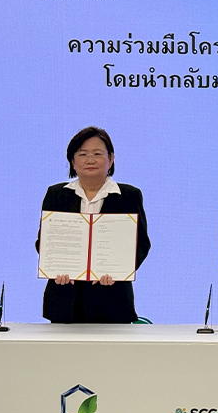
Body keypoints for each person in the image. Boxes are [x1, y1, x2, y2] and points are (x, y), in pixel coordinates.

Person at [37, 126, 151, 323]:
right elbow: (44, 241)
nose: (90, 160)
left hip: (113, 299)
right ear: (73, 161)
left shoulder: (129, 196)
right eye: (82, 154)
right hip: (65, 300)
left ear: (111, 159)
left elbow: (141, 243)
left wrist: (119, 271)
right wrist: (56, 268)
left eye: (97, 154)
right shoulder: (56, 194)